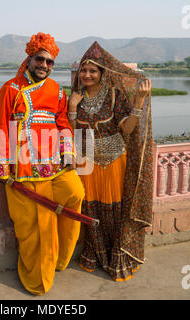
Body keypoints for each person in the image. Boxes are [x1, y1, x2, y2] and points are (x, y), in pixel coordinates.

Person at [0, 32, 85, 295]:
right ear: (30, 59)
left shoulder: (57, 91)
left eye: (50, 62)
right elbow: (0, 126)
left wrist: (68, 154)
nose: (45, 65)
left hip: (55, 165)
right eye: (40, 59)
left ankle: (60, 257)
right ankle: (37, 280)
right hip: (22, 171)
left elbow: (63, 123)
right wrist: (2, 169)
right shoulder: (11, 89)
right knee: (37, 226)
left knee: (76, 194)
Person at [68, 41, 153, 282]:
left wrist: (138, 102)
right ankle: (95, 256)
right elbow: (71, 132)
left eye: (93, 70)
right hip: (87, 165)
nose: (87, 74)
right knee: (91, 210)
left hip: (115, 162)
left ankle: (118, 257)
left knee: (116, 211)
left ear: (103, 73)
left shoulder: (115, 96)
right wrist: (72, 109)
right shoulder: (75, 97)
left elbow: (127, 129)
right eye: (84, 70)